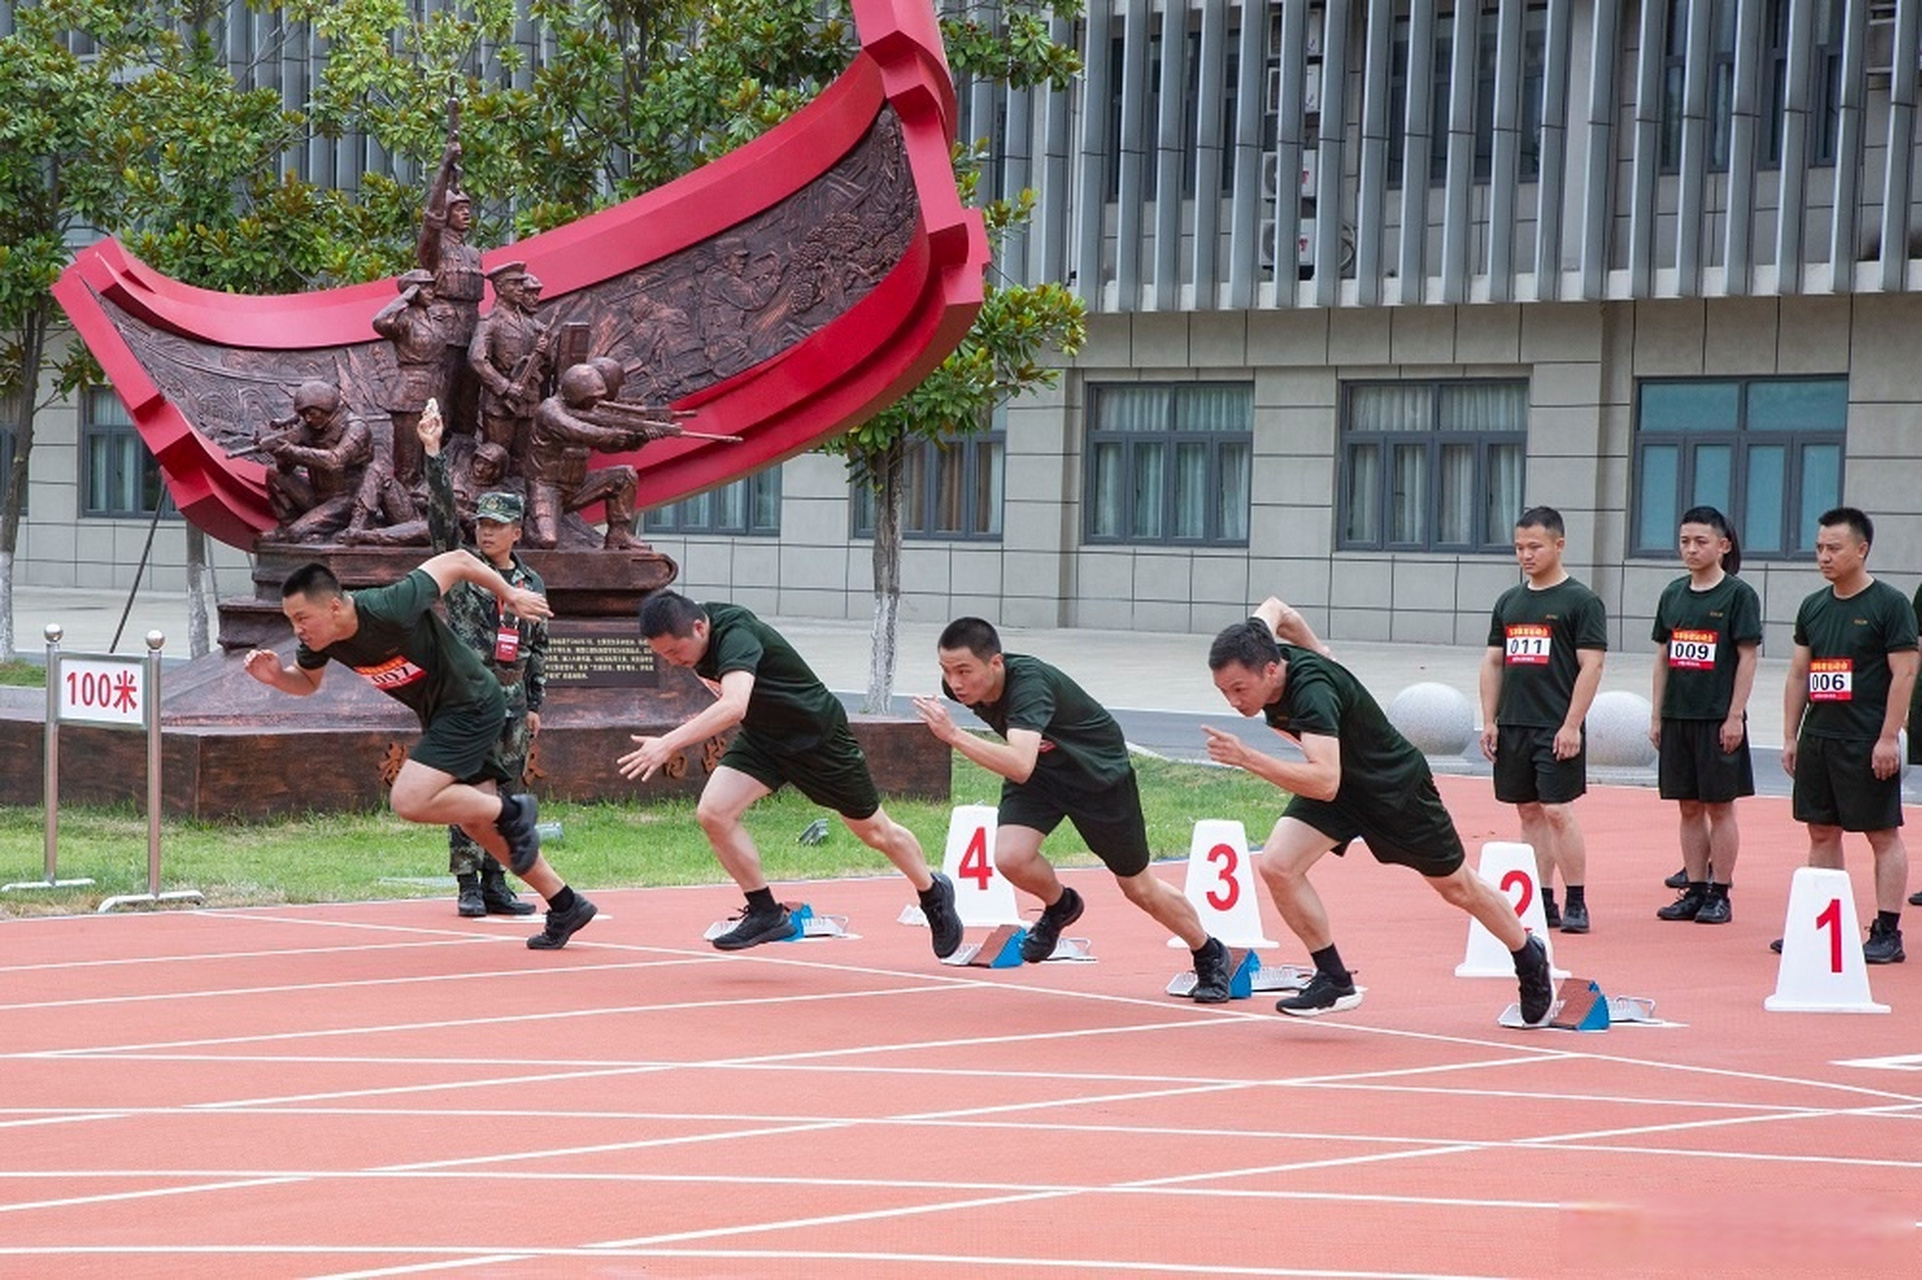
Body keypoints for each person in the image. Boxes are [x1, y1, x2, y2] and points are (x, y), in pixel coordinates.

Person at [1204, 600, 1554, 1024]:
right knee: (1278, 864)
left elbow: (1323, 781)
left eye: (1239, 689)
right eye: (1224, 691)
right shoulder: (1257, 641)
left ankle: (1528, 957)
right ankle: (1333, 979)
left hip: (1394, 790)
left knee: (1457, 887)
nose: (1233, 701)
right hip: (1342, 789)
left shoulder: (1312, 694)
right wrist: (1320, 650)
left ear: (1272, 670)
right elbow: (1277, 608)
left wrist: (1246, 758)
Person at [242, 556, 595, 949]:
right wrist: (276, 677)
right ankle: (565, 904)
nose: (297, 630)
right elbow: (307, 683)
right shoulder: (322, 640)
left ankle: (514, 811)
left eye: (302, 618)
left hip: (471, 702)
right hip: (443, 714)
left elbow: (458, 560)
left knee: (410, 799)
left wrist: (509, 592)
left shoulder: (390, 606)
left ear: (334, 606)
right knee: (476, 823)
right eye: (291, 620)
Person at [619, 590, 963, 957]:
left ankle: (932, 892)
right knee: (713, 813)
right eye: (663, 655)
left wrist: (668, 743)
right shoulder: (697, 638)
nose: (673, 662)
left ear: (699, 627)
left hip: (817, 739)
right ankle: (766, 912)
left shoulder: (736, 634)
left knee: (876, 831)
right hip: (764, 739)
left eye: (674, 652)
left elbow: (734, 705)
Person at [912, 617, 1234, 1001]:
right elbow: (1025, 765)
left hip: (1096, 776)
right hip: (1042, 774)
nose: (956, 682)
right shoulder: (957, 688)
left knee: (1138, 887)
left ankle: (1208, 952)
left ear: (995, 663)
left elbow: (1018, 763)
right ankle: (1060, 905)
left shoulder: (1030, 687)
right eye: (947, 671)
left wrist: (952, 734)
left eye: (964, 670)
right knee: (1011, 857)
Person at [422, 401, 547, 919]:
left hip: (513, 702)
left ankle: (498, 880)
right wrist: (433, 454)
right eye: (482, 524)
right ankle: (467, 882)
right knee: (466, 788)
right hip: (469, 701)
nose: (486, 532)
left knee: (507, 793)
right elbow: (441, 522)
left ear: (518, 530)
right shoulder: (462, 570)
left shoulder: (530, 584)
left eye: (497, 526)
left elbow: (538, 648)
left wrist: (536, 703)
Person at [1780, 507, 1916, 964]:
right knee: (1821, 831)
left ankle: (1887, 930)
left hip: (1866, 740)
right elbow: (1800, 674)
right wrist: (1791, 736)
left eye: (1833, 548)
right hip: (1820, 736)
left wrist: (1888, 737)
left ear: (1861, 549)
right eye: (1819, 548)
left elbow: (1905, 674)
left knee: (1881, 834)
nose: (1824, 556)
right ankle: (1824, 921)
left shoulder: (1889, 604)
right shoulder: (1813, 606)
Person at [1478, 505, 1608, 933]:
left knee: (1556, 810)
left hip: (1555, 725)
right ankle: (1542, 897)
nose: (1526, 555)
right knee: (1528, 812)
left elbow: (1592, 666)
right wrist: (1490, 721)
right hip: (1514, 723)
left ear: (1559, 545)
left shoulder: (1581, 601)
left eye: (1535, 546)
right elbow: (1494, 662)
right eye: (1519, 547)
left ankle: (1577, 899)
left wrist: (1572, 724)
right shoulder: (1509, 602)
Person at [1648, 507, 1761, 925]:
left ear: (1723, 545)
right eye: (1684, 541)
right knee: (1688, 807)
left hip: (1717, 718)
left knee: (1720, 807)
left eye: (1700, 541)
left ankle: (1720, 891)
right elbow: (1663, 656)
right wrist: (1657, 714)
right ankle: (1694, 888)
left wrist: (1735, 716)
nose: (1691, 549)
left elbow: (1748, 658)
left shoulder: (1738, 596)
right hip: (1678, 716)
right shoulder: (1673, 594)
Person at [260, 381, 374, 544]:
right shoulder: (309, 428)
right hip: (317, 495)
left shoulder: (356, 427)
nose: (308, 419)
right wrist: (282, 453)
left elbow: (335, 460)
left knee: (297, 533)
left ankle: (302, 531)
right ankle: (287, 525)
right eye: (304, 414)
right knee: (274, 474)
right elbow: (285, 470)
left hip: (346, 500)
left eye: (312, 413)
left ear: (325, 407)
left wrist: (291, 450)